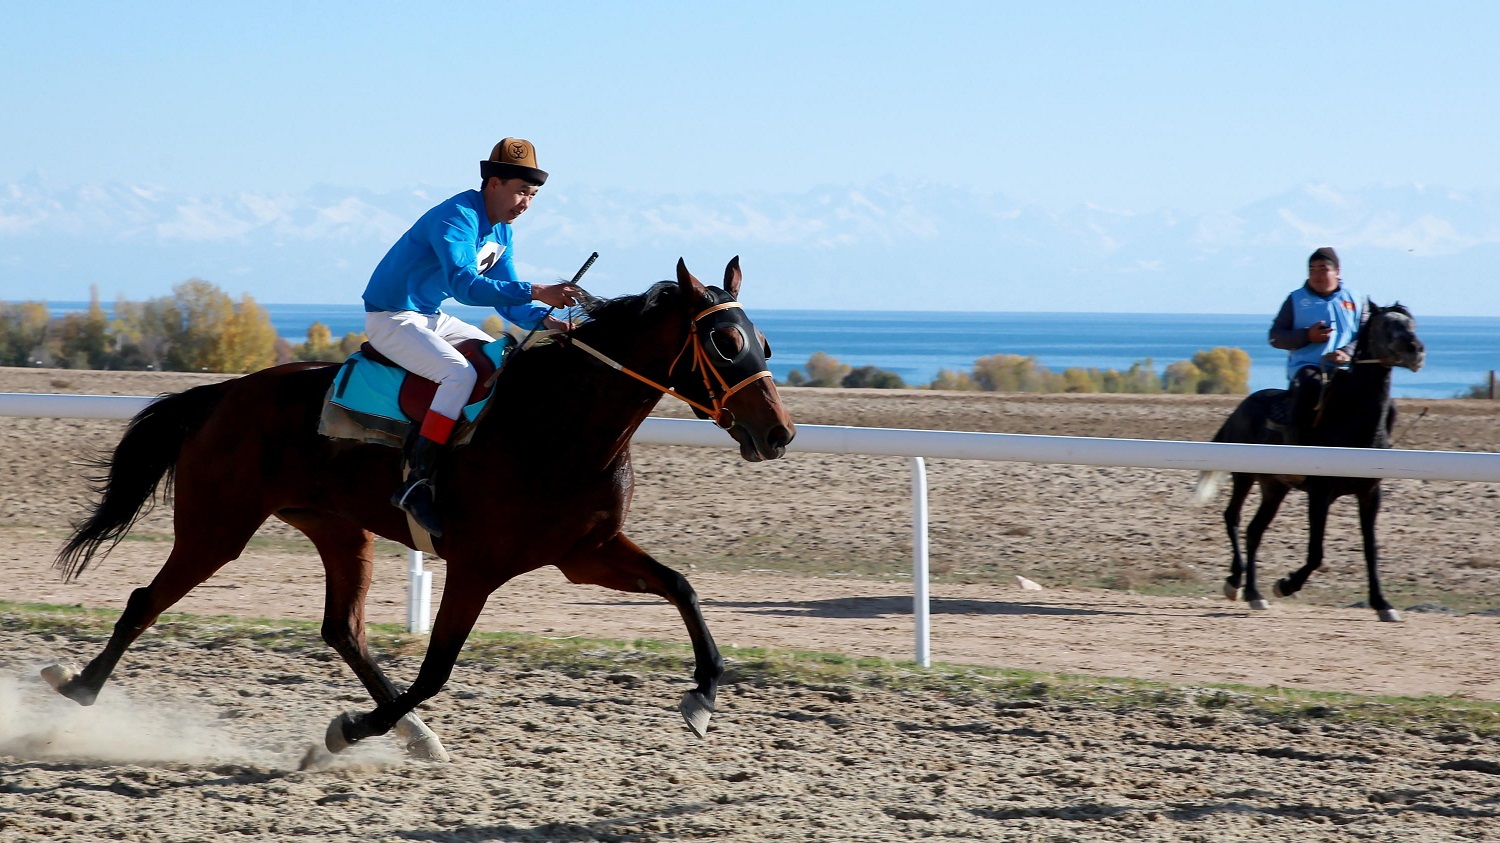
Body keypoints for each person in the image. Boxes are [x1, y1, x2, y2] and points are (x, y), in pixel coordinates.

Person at [362, 138, 581, 536]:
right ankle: (418, 481)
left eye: (532, 195)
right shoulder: (456, 216)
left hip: (429, 316)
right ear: (493, 184)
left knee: (502, 354)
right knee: (458, 374)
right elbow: (465, 286)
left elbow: (509, 303)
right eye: (520, 191)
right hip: (391, 317)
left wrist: (546, 322)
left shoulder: (503, 232)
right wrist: (537, 290)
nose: (525, 203)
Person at [1267, 247, 1362, 444]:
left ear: (1337, 271)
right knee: (1312, 386)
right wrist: (1307, 336)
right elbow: (1275, 337)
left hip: (1346, 368)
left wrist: (1346, 353)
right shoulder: (1295, 300)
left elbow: (1366, 336)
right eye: (1312, 269)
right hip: (1307, 368)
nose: (1316, 275)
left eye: (1322, 269)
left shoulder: (1357, 301)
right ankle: (1295, 445)